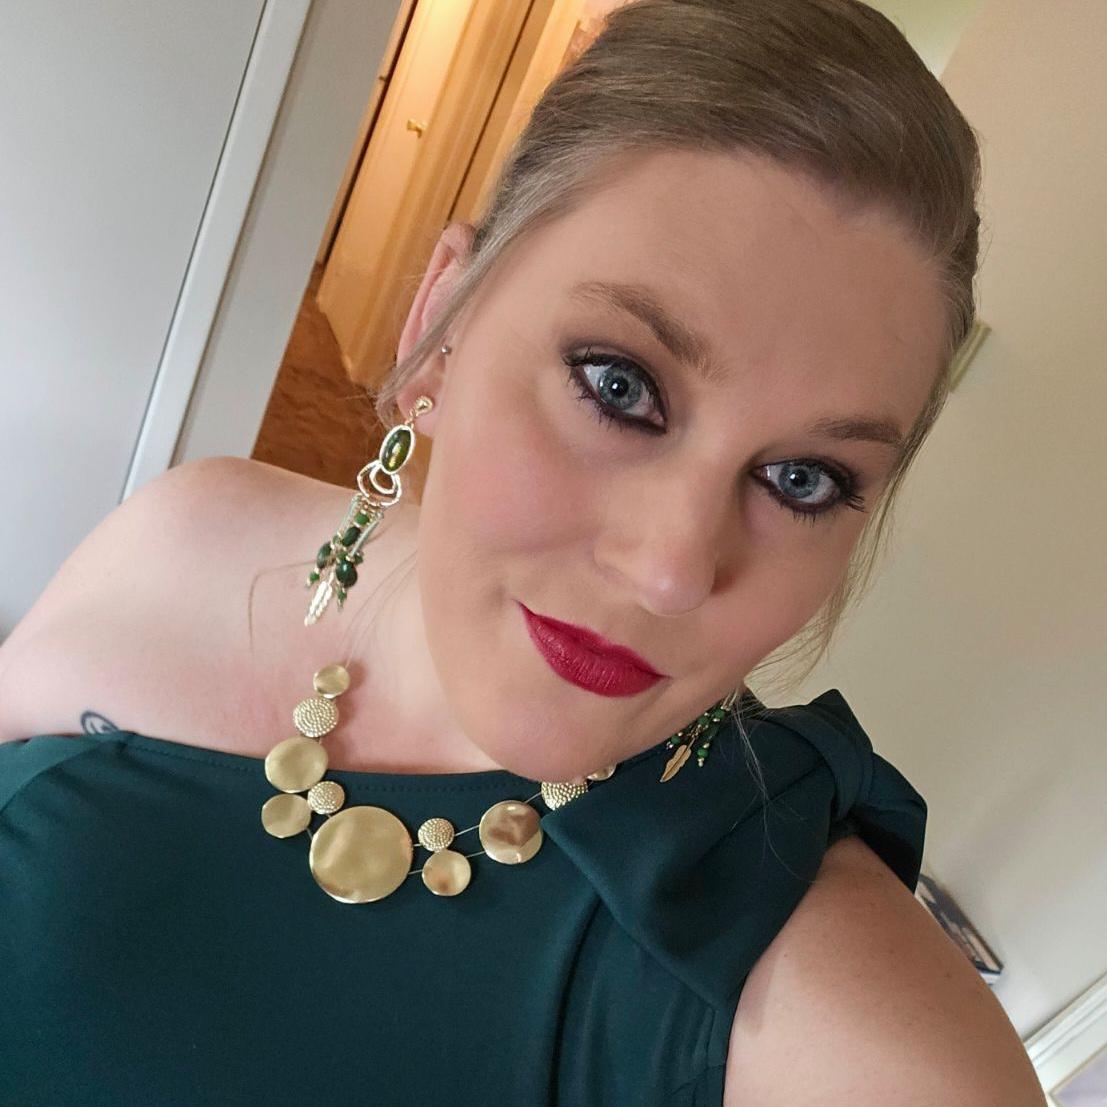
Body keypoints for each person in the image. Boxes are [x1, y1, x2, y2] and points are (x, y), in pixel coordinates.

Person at [0, 0, 1046, 1103]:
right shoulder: (192, 528)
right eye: (619, 385)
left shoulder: (836, 1007)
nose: (670, 573)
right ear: (439, 324)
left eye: (803, 481)